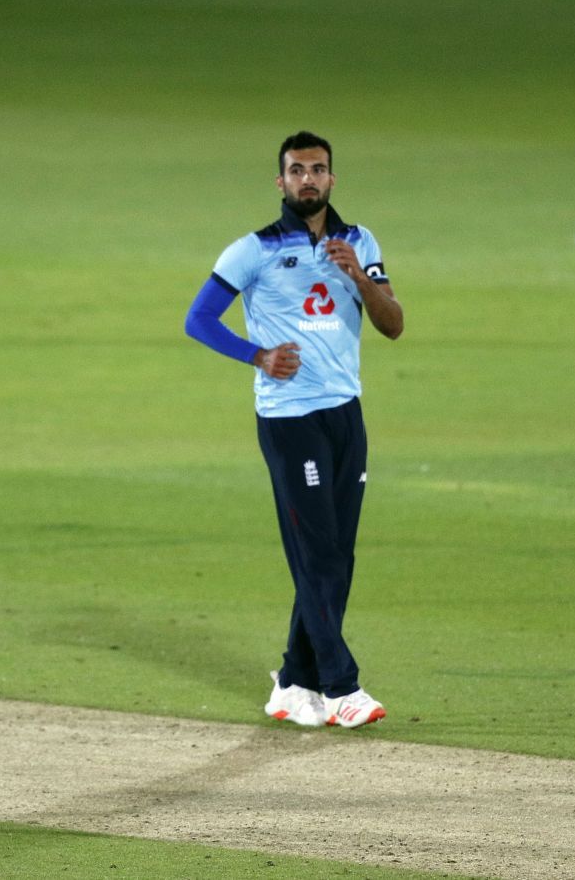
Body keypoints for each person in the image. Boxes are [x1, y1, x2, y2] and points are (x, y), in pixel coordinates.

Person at [183, 131, 403, 730]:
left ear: (333, 179)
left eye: (319, 169)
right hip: (288, 418)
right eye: (297, 170)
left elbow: (393, 325)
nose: (309, 179)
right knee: (316, 552)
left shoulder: (360, 242)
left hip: (345, 415)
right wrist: (256, 356)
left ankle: (293, 681)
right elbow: (197, 319)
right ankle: (341, 686)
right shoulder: (252, 251)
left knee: (335, 554)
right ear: (280, 182)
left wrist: (359, 276)